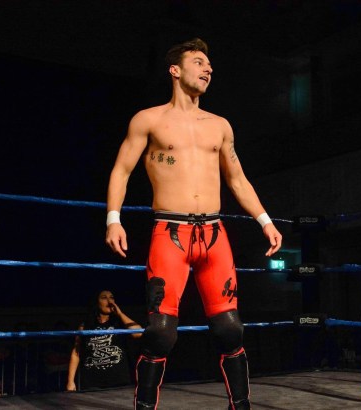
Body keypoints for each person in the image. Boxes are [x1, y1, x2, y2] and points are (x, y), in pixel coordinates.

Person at [105, 38, 282, 410]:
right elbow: (121, 170)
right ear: (175, 70)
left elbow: (237, 179)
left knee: (230, 328)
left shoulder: (219, 126)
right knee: (160, 333)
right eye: (199, 62)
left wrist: (265, 220)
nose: (208, 69)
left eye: (209, 64)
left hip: (214, 235)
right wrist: (113, 219)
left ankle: (241, 406)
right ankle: (144, 406)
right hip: (170, 234)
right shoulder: (148, 119)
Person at [67, 290, 142, 392]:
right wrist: (70, 381)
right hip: (92, 381)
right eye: (104, 298)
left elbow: (138, 333)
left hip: (118, 380)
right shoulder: (86, 326)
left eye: (111, 297)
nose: (109, 301)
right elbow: (76, 353)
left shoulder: (120, 322)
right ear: (96, 302)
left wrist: (120, 313)